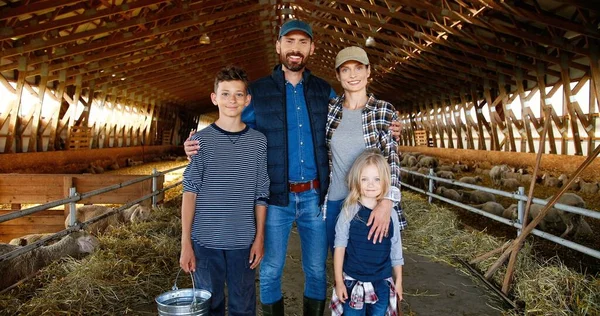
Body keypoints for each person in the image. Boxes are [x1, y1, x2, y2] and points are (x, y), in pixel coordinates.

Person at [184, 20, 395, 316]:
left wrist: (388, 125)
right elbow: (230, 125)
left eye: (303, 42)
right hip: (275, 198)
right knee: (270, 269)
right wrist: (198, 144)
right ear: (278, 46)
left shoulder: (324, 91)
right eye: (290, 41)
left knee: (315, 270)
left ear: (311, 48)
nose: (296, 49)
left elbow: (353, 117)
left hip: (315, 197)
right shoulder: (257, 91)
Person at [179, 66, 270, 316]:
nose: (232, 100)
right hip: (205, 242)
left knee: (243, 306)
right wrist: (186, 242)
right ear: (214, 98)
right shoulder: (200, 142)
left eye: (239, 94)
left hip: (243, 241)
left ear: (247, 100)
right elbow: (190, 192)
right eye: (226, 94)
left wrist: (259, 237)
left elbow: (261, 193)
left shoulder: (258, 141)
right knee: (210, 306)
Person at [325, 46, 406, 256]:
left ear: (368, 71)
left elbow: (392, 162)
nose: (353, 75)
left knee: (371, 263)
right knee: (339, 262)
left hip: (370, 202)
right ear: (337, 75)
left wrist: (387, 202)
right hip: (335, 201)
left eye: (359, 68)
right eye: (345, 69)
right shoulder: (329, 110)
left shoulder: (383, 110)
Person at [330, 149, 404, 315]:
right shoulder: (349, 211)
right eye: (365, 179)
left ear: (385, 181)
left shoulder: (390, 213)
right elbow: (340, 246)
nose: (371, 184)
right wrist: (339, 281)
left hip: (382, 283)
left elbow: (396, 247)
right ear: (357, 181)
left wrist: (398, 280)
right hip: (352, 281)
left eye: (377, 179)